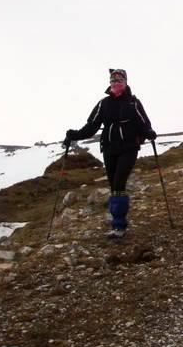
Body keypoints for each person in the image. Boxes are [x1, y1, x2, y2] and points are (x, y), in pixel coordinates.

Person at [64, 68, 157, 239]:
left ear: (126, 82)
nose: (115, 83)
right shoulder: (103, 103)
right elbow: (91, 126)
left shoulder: (133, 103)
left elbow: (144, 122)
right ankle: (117, 222)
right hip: (108, 148)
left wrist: (149, 132)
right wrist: (75, 135)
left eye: (119, 80)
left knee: (119, 182)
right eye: (113, 81)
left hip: (129, 147)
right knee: (113, 186)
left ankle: (119, 226)